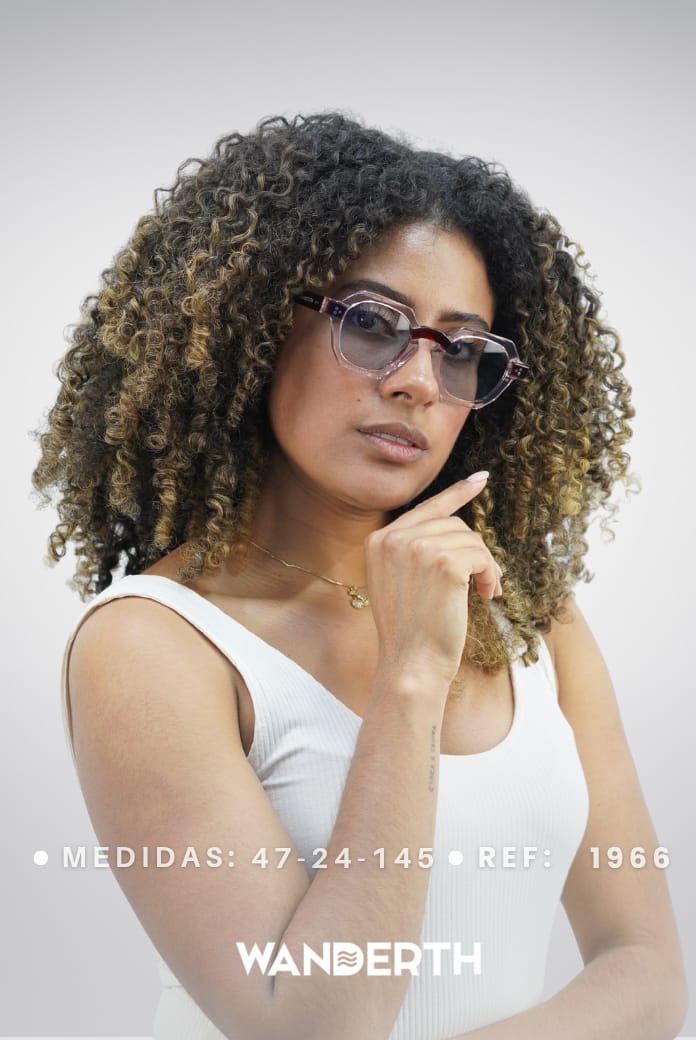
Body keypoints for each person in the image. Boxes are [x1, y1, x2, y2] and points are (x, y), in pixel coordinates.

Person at [31, 112, 687, 1040]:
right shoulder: (151, 644)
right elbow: (313, 1024)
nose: (418, 380)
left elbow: (647, 970)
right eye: (373, 325)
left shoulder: (531, 614)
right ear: (253, 328)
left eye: (461, 350)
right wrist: (410, 677)